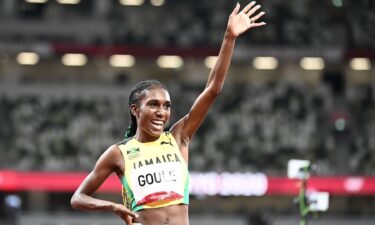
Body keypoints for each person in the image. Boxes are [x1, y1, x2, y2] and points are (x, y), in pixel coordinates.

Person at [71, 2, 266, 225]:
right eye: (153, 104)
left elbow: (213, 89)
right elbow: (78, 198)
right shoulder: (119, 153)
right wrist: (112, 205)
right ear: (135, 109)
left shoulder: (178, 137)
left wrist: (229, 38)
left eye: (167, 106)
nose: (161, 112)